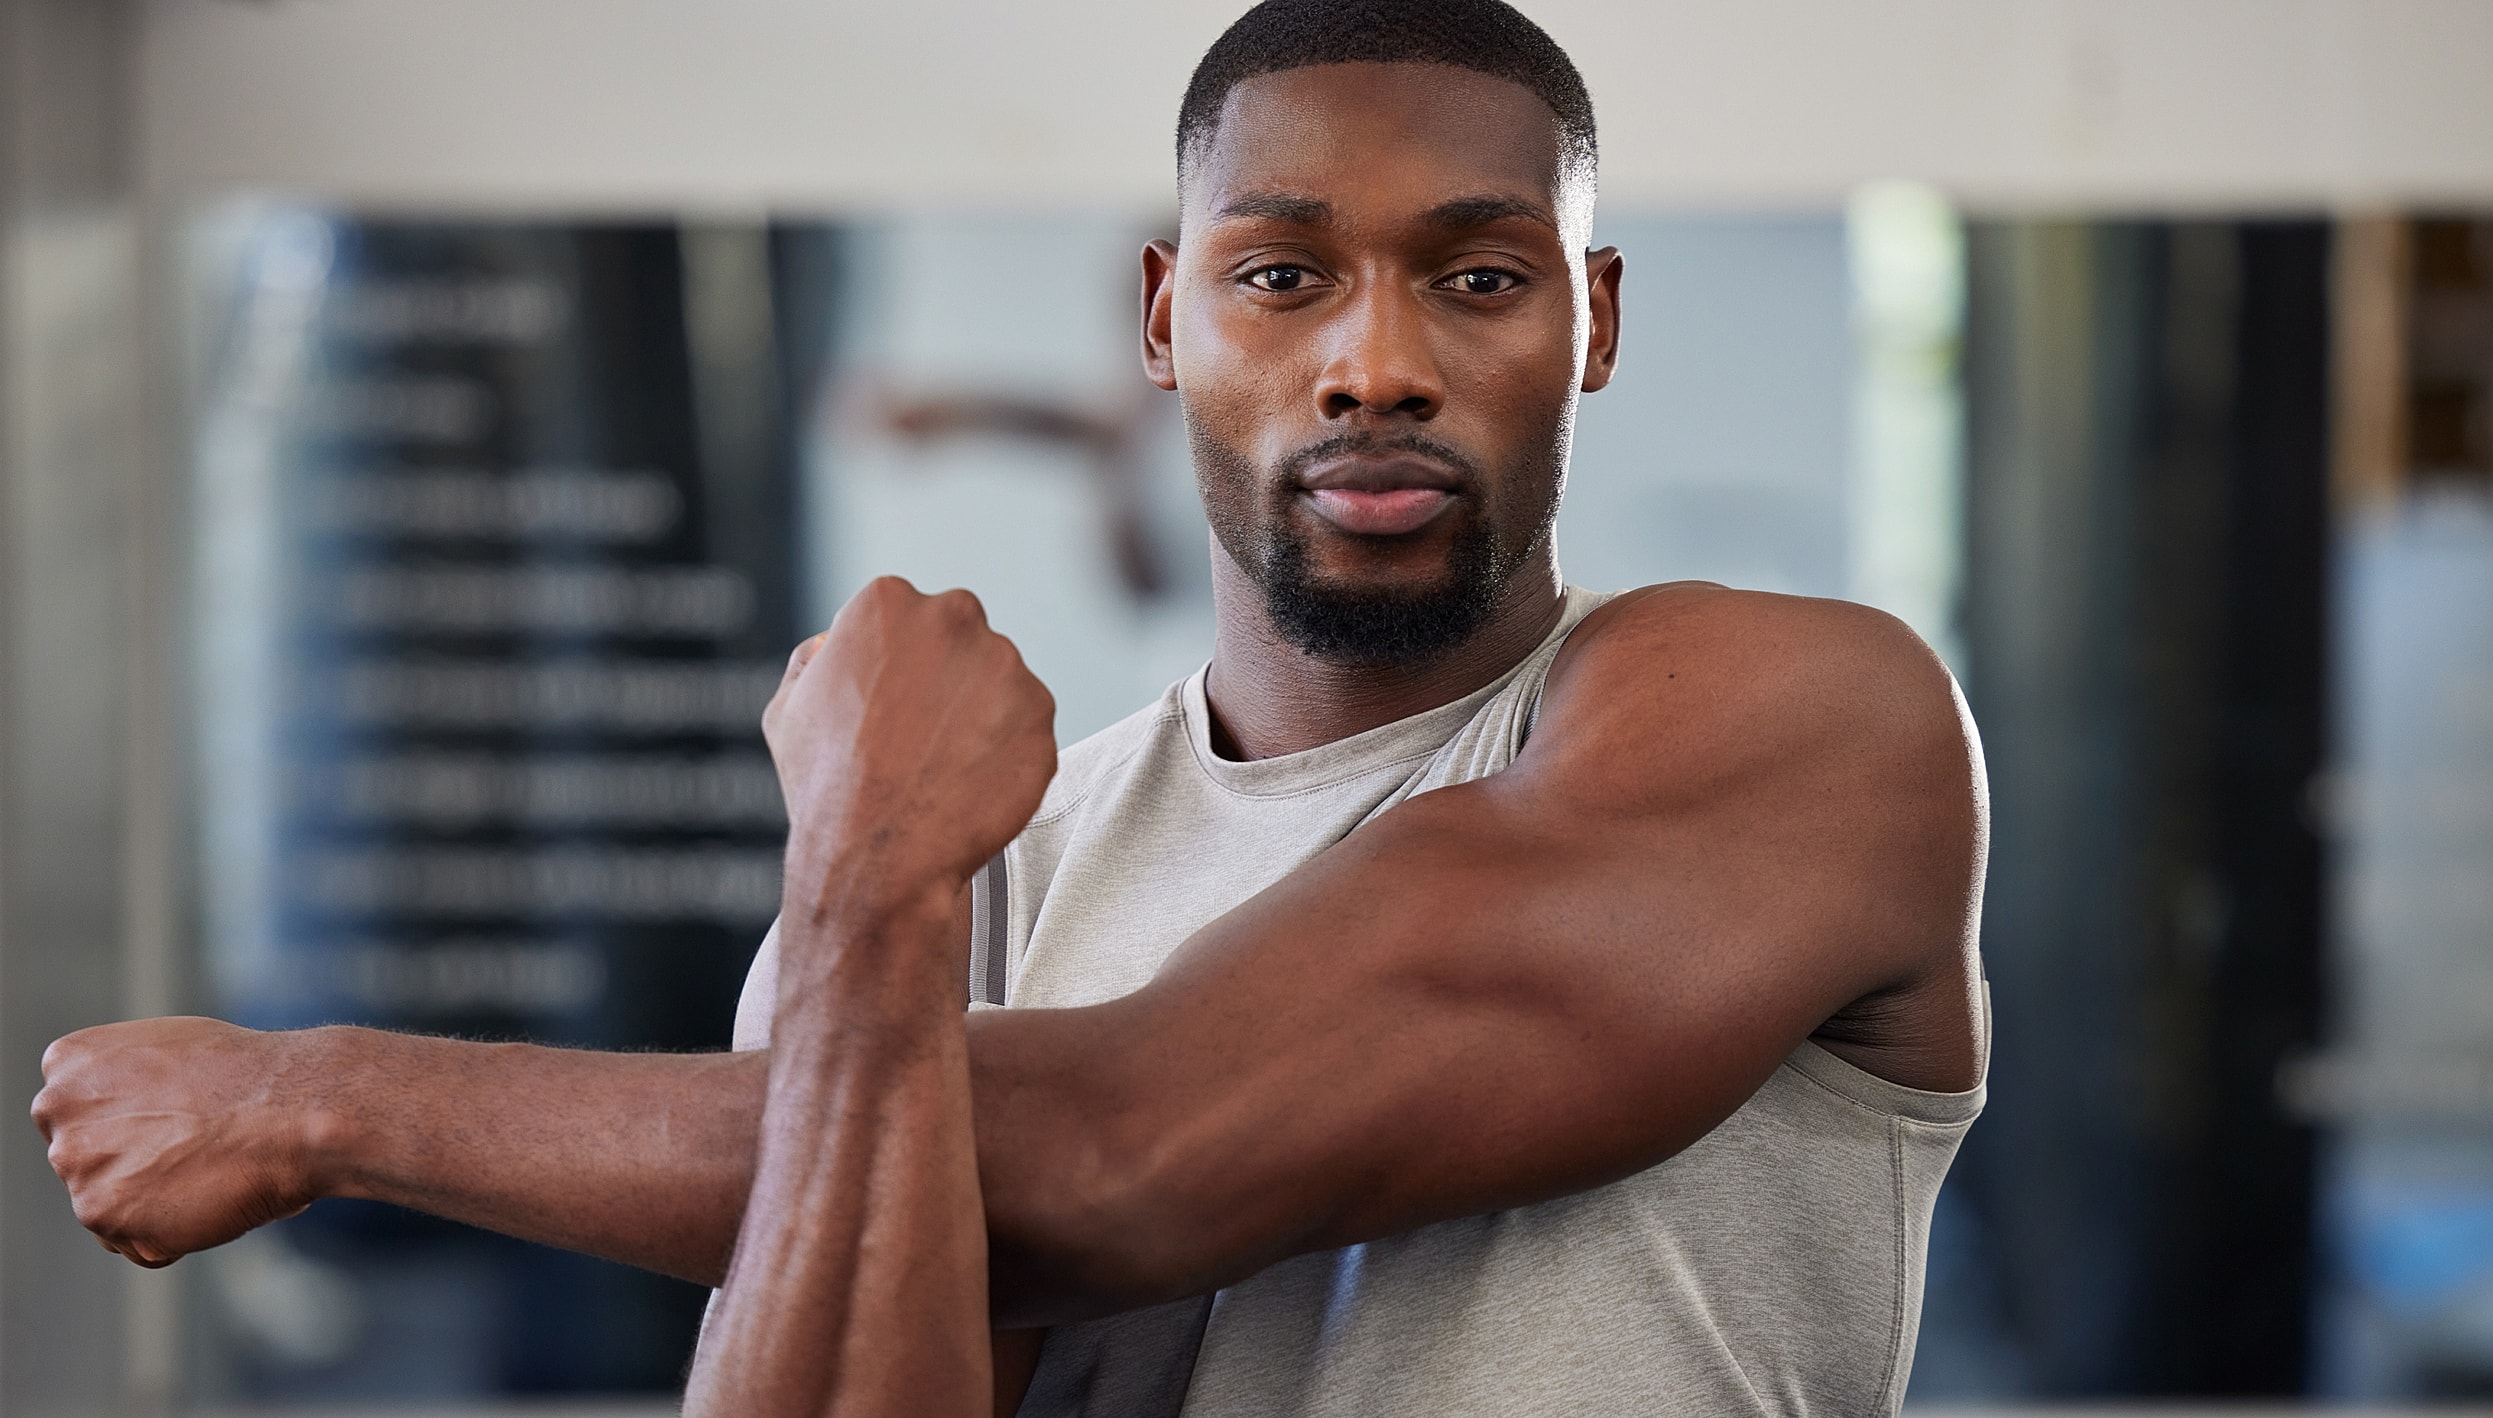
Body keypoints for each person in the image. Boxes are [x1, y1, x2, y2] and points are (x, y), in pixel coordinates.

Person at [32, 1, 1990, 1414]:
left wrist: (305, 1098)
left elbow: (1136, 1153)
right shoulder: (975, 854)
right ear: (1166, 320)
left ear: (1595, 317)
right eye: (1282, 274)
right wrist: (875, 878)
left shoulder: (1797, 715)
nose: (1373, 362)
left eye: (1477, 277)